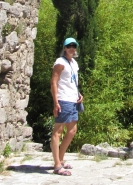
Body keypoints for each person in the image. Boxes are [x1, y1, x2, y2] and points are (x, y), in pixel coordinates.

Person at [50, 37, 83, 176]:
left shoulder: (74, 63)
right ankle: (57, 165)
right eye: (69, 46)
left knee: (72, 130)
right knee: (58, 131)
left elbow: (71, 81)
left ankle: (61, 159)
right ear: (64, 48)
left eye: (74, 46)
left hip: (73, 100)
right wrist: (56, 102)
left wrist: (78, 93)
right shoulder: (60, 62)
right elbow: (54, 82)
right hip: (63, 100)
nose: (71, 48)